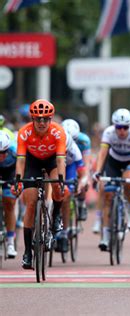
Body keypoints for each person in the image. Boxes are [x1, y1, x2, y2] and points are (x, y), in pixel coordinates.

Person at [12, 99, 67, 269]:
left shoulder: (58, 132)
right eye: (38, 119)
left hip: (51, 160)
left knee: (57, 187)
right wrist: (18, 180)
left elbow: (60, 160)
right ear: (32, 119)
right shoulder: (24, 132)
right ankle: (28, 252)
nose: (42, 122)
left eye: (45, 119)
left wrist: (61, 180)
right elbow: (20, 160)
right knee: (30, 203)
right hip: (32, 162)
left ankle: (56, 215)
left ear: (51, 119)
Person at [92, 108, 130, 251]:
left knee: (128, 181)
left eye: (125, 127)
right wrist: (98, 171)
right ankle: (105, 236)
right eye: (118, 127)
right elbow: (102, 154)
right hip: (113, 161)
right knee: (108, 195)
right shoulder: (108, 132)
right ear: (114, 126)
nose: (121, 131)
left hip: (129, 162)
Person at [55, 132, 88, 253]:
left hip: (69, 168)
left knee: (66, 194)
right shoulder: (52, 146)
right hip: (53, 166)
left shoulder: (75, 150)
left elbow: (83, 175)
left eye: (65, 152)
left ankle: (64, 232)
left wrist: (80, 184)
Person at [62, 119, 91, 221]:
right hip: (63, 161)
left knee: (82, 179)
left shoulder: (84, 140)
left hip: (76, 161)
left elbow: (86, 163)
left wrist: (85, 178)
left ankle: (81, 203)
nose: (72, 143)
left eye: (74, 139)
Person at [0, 131, 18, 258]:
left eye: (3, 153)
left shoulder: (15, 151)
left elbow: (22, 169)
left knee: (9, 203)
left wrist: (17, 183)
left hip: (10, 173)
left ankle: (11, 241)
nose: (1, 156)